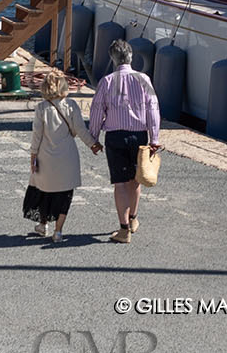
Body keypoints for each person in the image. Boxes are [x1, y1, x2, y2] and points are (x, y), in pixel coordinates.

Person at [86, 39, 161, 245]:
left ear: (113, 58)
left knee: (120, 183)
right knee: (136, 179)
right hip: (139, 136)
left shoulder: (107, 81)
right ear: (131, 57)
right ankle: (134, 219)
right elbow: (153, 110)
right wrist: (154, 138)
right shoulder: (144, 79)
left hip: (115, 136)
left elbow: (96, 111)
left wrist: (93, 137)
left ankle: (123, 228)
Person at [25, 68, 98, 242]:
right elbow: (80, 130)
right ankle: (58, 231)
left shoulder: (41, 108)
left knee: (44, 190)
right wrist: (93, 145)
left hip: (45, 155)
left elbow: (37, 134)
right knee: (65, 193)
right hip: (67, 156)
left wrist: (33, 154)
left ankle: (43, 225)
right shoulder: (71, 105)